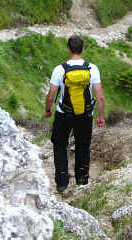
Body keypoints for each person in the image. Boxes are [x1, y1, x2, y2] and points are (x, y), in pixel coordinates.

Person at [44, 35, 106, 193]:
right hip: (85, 114)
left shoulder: (60, 69)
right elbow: (99, 95)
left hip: (63, 113)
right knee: (83, 145)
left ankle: (62, 182)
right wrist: (100, 116)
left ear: (68, 49)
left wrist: (48, 110)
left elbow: (51, 95)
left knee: (59, 145)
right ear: (82, 49)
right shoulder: (92, 68)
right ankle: (82, 180)